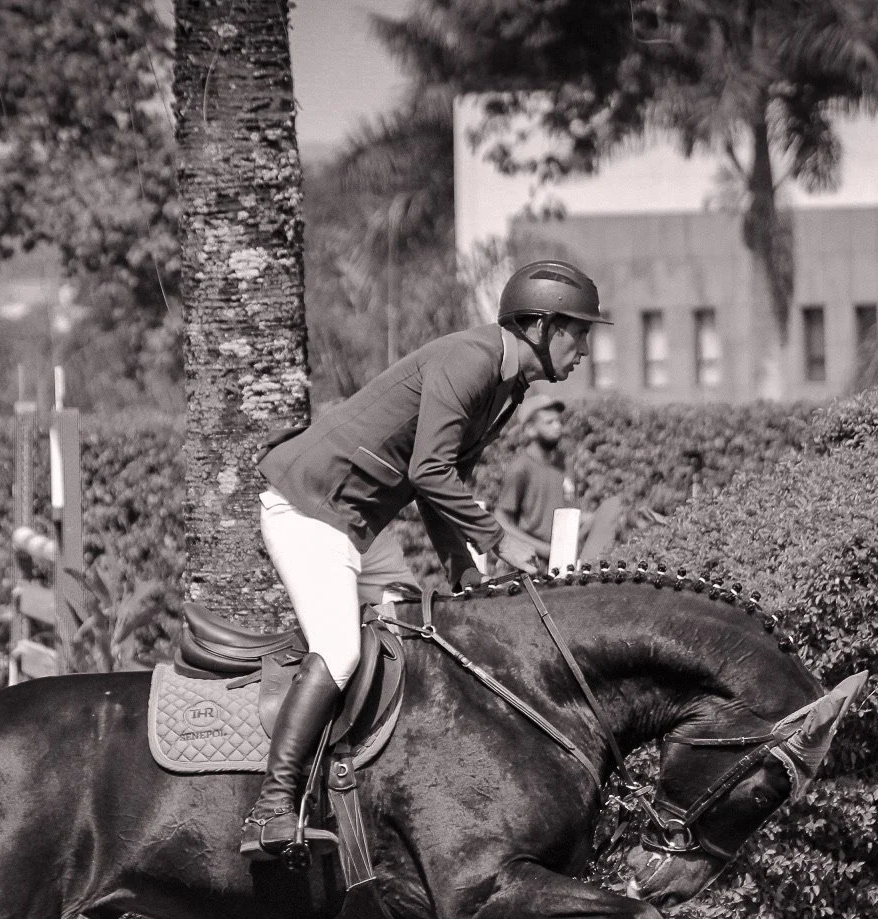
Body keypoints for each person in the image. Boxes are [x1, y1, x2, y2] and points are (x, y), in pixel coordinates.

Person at [242, 259, 610, 858]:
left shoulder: (506, 389)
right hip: (309, 509)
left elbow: (440, 488)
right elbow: (430, 472)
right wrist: (498, 540)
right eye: (580, 332)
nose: (586, 350)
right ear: (541, 327)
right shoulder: (471, 360)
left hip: (352, 526)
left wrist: (466, 581)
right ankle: (272, 807)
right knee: (339, 650)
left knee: (421, 639)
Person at [493, 389, 625, 570]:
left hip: (566, 560)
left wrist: (601, 518)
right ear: (530, 429)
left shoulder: (565, 464)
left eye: (558, 421)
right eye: (549, 422)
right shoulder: (521, 468)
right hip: (532, 564)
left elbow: (571, 514)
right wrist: (542, 549)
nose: (557, 426)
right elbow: (501, 520)